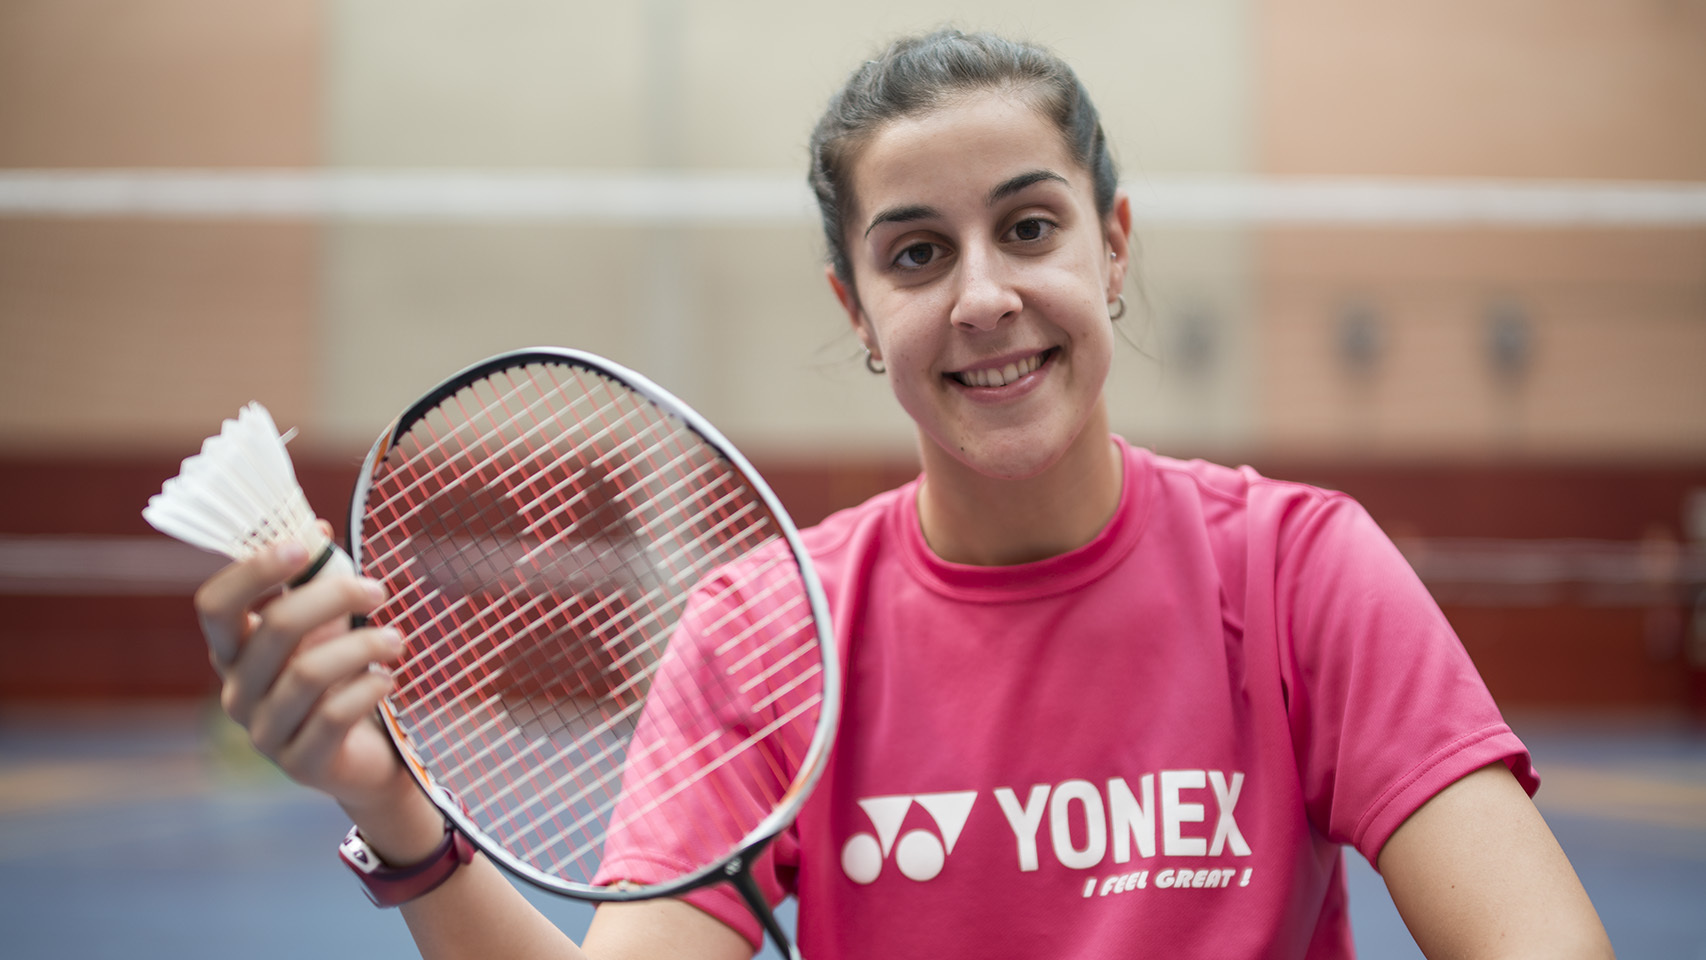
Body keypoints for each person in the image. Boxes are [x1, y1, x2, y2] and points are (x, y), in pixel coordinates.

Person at [195, 28, 1614, 959]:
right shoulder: (766, 634)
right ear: (858, 310)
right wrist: (395, 811)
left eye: (1031, 227)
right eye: (917, 254)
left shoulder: (1299, 573)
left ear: (1114, 249)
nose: (984, 296)